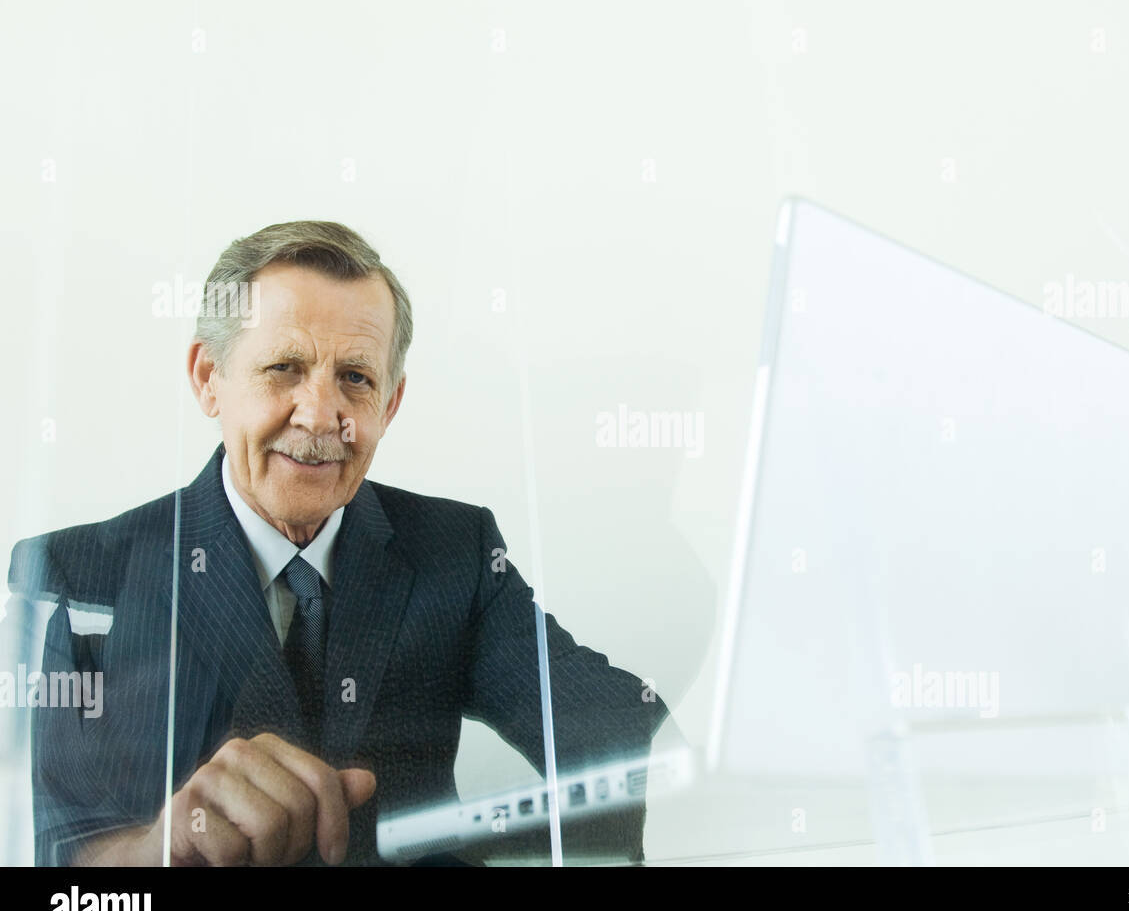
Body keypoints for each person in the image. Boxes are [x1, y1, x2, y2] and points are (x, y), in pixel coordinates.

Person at [6, 221, 671, 866]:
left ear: (391, 403)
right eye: (284, 367)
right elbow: (43, 842)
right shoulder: (71, 578)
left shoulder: (456, 553)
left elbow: (613, 732)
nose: (322, 416)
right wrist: (159, 851)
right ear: (208, 377)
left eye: (355, 377)